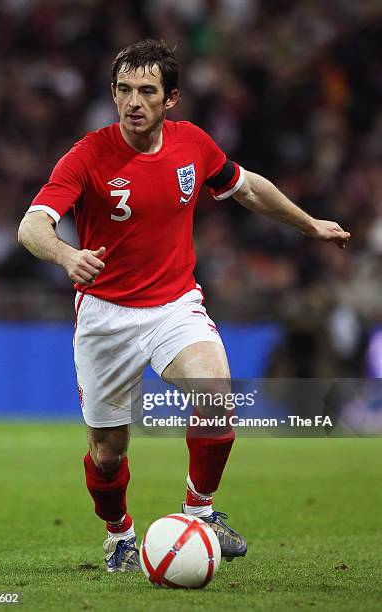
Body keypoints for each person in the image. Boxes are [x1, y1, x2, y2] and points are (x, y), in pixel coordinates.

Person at [18, 39, 350, 573]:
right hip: (105, 315)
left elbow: (247, 189)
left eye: (147, 91)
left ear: (170, 98)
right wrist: (64, 254)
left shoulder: (192, 144)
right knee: (108, 451)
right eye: (124, 90)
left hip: (174, 303)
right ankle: (119, 535)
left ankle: (201, 511)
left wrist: (308, 223)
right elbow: (32, 224)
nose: (133, 102)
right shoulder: (87, 155)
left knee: (216, 391)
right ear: (112, 93)